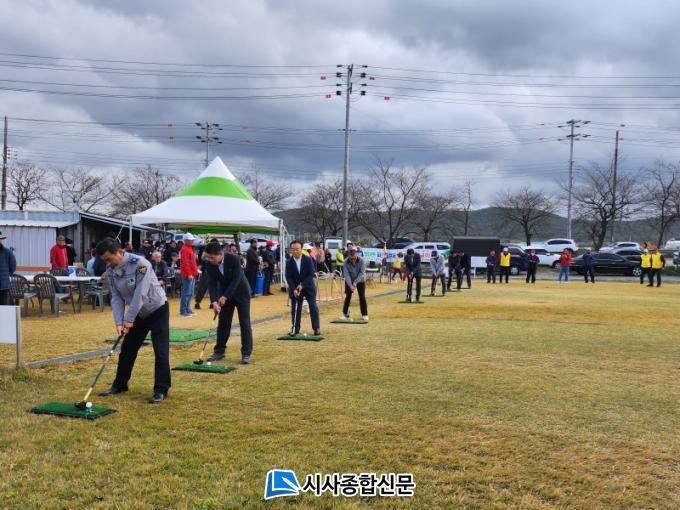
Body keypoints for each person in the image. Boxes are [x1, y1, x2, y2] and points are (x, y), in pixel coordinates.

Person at [96, 238, 170, 404]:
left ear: (119, 252)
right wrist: (119, 322)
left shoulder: (141, 264)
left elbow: (140, 293)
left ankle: (161, 389)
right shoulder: (111, 270)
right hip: (137, 313)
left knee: (161, 351)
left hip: (156, 309)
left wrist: (128, 319)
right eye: (104, 261)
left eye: (109, 259)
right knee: (127, 348)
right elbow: (116, 297)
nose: (107, 263)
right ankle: (120, 384)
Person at [203, 241, 254, 364]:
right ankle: (219, 351)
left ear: (220, 254)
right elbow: (211, 283)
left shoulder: (234, 259)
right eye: (208, 257)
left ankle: (246, 353)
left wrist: (225, 296)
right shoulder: (209, 263)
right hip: (224, 294)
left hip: (241, 293)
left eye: (212, 257)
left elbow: (236, 280)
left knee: (245, 323)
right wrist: (214, 302)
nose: (210, 260)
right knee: (223, 323)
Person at [285, 240, 321, 336]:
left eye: (297, 249)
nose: (295, 251)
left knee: (313, 307)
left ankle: (316, 328)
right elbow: (288, 277)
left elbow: (311, 274)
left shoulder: (308, 259)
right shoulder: (289, 262)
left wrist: (302, 285)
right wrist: (294, 289)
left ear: (301, 249)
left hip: (308, 287)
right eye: (293, 249)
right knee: (296, 308)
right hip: (295, 289)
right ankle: (295, 328)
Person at [342, 248, 368, 321]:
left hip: (360, 280)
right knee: (348, 297)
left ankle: (364, 314)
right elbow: (346, 275)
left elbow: (362, 273)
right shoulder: (345, 262)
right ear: (348, 256)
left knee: (362, 297)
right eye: (351, 259)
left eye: (354, 258)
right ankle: (345, 314)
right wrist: (351, 286)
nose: (353, 260)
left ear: (356, 255)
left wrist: (355, 282)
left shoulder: (362, 261)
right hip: (349, 280)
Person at [179, 233, 198, 317]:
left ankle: (187, 309)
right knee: (187, 292)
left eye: (192, 240)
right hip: (188, 274)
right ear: (186, 240)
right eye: (191, 240)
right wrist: (189, 274)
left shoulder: (189, 248)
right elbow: (185, 263)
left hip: (191, 273)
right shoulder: (185, 249)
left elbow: (191, 262)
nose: (192, 241)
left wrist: (195, 271)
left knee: (189, 292)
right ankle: (183, 311)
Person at [0, 231, 17, 306]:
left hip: (3, 285)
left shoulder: (7, 252)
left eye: (1, 239)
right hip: (4, 284)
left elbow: (12, 267)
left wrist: (5, 275)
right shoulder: (8, 251)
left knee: (4, 307)